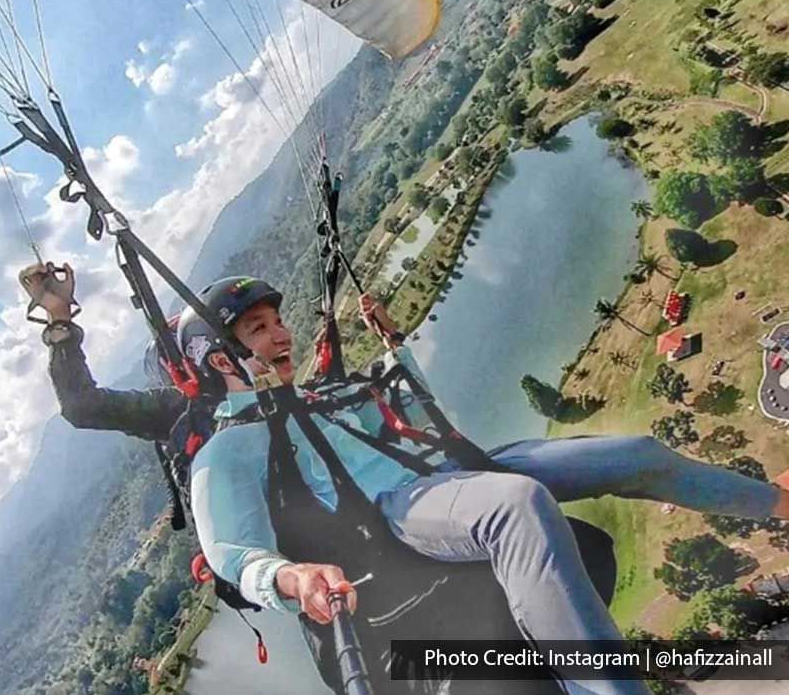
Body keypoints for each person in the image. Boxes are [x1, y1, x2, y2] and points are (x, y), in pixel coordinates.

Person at [184, 275, 789, 695]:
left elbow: (412, 418)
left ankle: (776, 503)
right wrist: (293, 577)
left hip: (453, 470)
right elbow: (233, 554)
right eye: (260, 330)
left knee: (635, 454)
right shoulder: (230, 446)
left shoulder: (313, 396)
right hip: (402, 507)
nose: (281, 334)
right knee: (514, 507)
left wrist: (395, 343)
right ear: (220, 359)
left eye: (278, 321)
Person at [18, 262, 187, 442]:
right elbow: (82, 406)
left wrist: (59, 315)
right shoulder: (185, 409)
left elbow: (82, 406)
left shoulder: (185, 406)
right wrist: (59, 315)